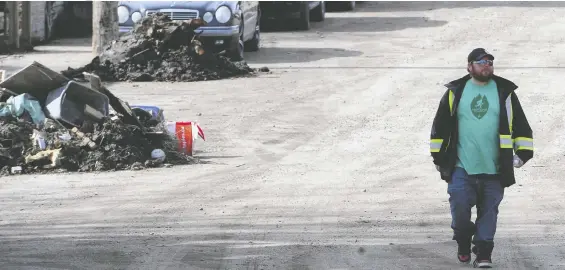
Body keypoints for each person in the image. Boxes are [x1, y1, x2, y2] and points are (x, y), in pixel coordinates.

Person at [429, 48, 534, 268]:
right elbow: (440, 126)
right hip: (461, 168)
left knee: (489, 214)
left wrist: (522, 154)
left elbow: (521, 126)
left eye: (490, 62)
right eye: (481, 62)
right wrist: (438, 158)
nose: (487, 65)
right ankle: (463, 243)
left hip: (495, 169)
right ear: (469, 66)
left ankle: (484, 254)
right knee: (459, 212)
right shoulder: (455, 92)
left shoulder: (504, 92)